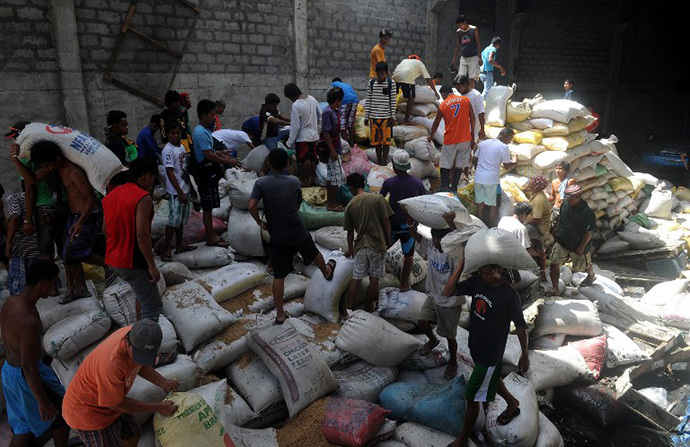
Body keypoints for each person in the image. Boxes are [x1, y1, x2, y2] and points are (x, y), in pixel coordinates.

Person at [443, 263, 529, 447]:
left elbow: (521, 326)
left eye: (488, 273)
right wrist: (461, 266)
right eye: (481, 273)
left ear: (499, 271)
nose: (484, 276)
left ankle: (463, 439)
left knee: (472, 396)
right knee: (492, 379)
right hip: (476, 345)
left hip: (491, 352)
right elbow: (448, 291)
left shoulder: (509, 295)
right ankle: (512, 403)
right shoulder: (477, 282)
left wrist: (524, 354)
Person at [249, 150, 337, 325]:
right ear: (287, 164)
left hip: (278, 235)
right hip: (296, 230)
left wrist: (260, 222)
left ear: (269, 164)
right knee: (313, 252)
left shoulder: (261, 183)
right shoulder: (294, 181)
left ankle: (280, 313)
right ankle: (326, 271)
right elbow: (297, 206)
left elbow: (251, 205)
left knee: (279, 276)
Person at [62, 319, 179, 447]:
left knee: (133, 434)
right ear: (128, 342)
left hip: (113, 400)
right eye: (139, 355)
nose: (140, 359)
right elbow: (115, 404)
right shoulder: (111, 364)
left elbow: (140, 365)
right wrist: (158, 407)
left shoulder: (138, 336)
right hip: (88, 413)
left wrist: (164, 383)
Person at [1, 260, 69, 447]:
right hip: (25, 377)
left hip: (8, 372)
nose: (55, 287)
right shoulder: (29, 320)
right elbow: (29, 367)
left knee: (23, 426)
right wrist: (43, 401)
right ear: (44, 284)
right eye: (54, 282)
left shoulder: (10, 302)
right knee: (62, 421)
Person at [30, 140, 101, 302]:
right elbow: (32, 179)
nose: (47, 170)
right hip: (75, 216)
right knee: (67, 254)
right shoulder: (58, 169)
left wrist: (81, 222)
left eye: (47, 165)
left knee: (73, 252)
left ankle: (109, 267)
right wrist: (15, 158)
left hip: (86, 216)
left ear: (56, 159)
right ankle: (80, 287)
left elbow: (91, 199)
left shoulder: (73, 172)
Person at [102, 158, 165, 322]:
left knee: (142, 295)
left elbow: (105, 229)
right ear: (147, 176)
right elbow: (142, 235)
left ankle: (138, 330)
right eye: (153, 179)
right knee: (152, 307)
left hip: (113, 259)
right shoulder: (143, 198)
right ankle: (145, 346)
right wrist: (151, 265)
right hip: (133, 261)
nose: (152, 184)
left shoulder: (111, 195)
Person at [9, 130, 68, 294]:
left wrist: (27, 219)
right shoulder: (49, 152)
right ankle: (72, 284)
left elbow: (30, 190)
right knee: (65, 249)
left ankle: (52, 288)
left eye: (15, 138)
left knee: (46, 252)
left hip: (44, 209)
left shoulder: (26, 159)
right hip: (62, 204)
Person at [407, 213, 464, 379]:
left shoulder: (454, 251)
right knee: (422, 321)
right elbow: (415, 235)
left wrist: (450, 223)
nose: (437, 241)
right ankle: (432, 340)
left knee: (449, 336)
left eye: (440, 238)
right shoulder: (430, 245)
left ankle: (453, 361)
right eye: (435, 237)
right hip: (433, 295)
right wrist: (410, 220)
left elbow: (458, 240)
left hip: (450, 301)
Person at [343, 173, 394, 310]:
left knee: (356, 277)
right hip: (377, 244)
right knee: (374, 278)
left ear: (351, 188)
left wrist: (350, 249)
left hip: (360, 245)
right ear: (364, 184)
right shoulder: (377, 199)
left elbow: (349, 232)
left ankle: (348, 308)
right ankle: (368, 306)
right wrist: (388, 241)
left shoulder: (350, 205)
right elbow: (386, 222)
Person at [192, 99, 239, 248]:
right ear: (204, 115)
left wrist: (220, 152)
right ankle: (211, 236)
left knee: (210, 206)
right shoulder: (201, 132)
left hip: (208, 171)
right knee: (207, 207)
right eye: (212, 115)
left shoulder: (205, 131)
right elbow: (207, 155)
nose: (214, 118)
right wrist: (227, 162)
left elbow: (210, 151)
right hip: (205, 173)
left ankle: (211, 233)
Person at [380, 150, 425, 291]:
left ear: (394, 166)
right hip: (409, 226)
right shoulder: (417, 183)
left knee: (387, 252)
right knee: (408, 255)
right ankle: (404, 284)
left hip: (392, 226)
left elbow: (380, 200)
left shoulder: (389, 183)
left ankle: (386, 282)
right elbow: (423, 201)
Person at [550, 184, 597, 295]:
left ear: (578, 197)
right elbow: (561, 218)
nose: (569, 201)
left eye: (571, 199)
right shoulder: (565, 204)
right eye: (568, 198)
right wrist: (556, 229)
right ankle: (555, 289)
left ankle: (591, 275)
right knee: (554, 263)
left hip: (577, 243)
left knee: (583, 265)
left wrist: (581, 247)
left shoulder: (587, 213)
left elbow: (589, 232)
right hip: (563, 240)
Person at [160, 124, 197, 262]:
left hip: (185, 188)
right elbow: (170, 172)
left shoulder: (181, 147)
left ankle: (180, 245)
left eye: (178, 133)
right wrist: (180, 192)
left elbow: (184, 170)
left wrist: (191, 189)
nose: (176, 135)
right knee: (173, 221)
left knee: (181, 220)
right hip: (176, 192)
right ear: (168, 135)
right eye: (173, 133)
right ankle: (167, 249)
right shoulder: (168, 151)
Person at [430, 84, 475, 191]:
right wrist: (472, 137)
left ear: (444, 93)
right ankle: (454, 187)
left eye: (442, 95)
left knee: (445, 163)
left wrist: (431, 136)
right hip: (465, 138)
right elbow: (472, 119)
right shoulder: (466, 100)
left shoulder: (443, 105)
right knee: (460, 164)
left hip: (451, 138)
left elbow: (436, 123)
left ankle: (444, 186)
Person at [472, 128, 518, 227]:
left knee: (480, 206)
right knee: (494, 206)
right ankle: (492, 230)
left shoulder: (483, 143)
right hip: (492, 180)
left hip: (478, 178)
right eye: (509, 139)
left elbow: (474, 159)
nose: (509, 142)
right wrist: (515, 162)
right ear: (504, 135)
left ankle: (479, 228)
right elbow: (506, 165)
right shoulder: (503, 147)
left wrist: (478, 170)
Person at [285, 83, 322, 187]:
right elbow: (320, 114)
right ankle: (312, 178)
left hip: (302, 137)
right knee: (313, 157)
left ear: (291, 96)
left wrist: (289, 142)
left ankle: (305, 181)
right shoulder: (312, 98)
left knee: (305, 159)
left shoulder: (296, 105)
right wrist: (318, 129)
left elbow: (295, 126)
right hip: (313, 135)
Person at [4, 192, 41, 295]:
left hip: (23, 243)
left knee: (20, 274)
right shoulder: (33, 195)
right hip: (37, 241)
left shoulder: (12, 198)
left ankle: (21, 293)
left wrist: (8, 242)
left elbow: (15, 217)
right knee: (37, 270)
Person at [498, 202, 546, 280]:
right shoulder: (520, 228)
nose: (526, 218)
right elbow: (526, 250)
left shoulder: (504, 219)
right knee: (541, 257)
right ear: (524, 214)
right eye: (527, 216)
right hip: (511, 257)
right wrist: (539, 255)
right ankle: (541, 276)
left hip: (500, 250)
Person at [392, 55, 441, 125]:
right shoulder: (419, 63)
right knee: (411, 98)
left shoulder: (404, 61)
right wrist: (435, 92)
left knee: (393, 96)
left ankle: (390, 117)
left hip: (395, 77)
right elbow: (428, 79)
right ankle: (406, 120)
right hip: (407, 76)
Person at [365, 61, 397, 166]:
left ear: (386, 73)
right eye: (378, 74)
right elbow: (368, 100)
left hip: (386, 119)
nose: (380, 76)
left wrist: (393, 117)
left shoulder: (391, 84)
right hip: (374, 118)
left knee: (386, 142)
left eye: (382, 74)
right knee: (377, 143)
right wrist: (366, 116)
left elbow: (393, 101)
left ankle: (384, 161)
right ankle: (379, 161)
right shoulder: (371, 83)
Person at [321, 86, 346, 211]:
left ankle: (330, 201)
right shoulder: (327, 112)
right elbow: (326, 132)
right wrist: (332, 150)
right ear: (337, 100)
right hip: (332, 148)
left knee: (331, 176)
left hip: (336, 146)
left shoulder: (334, 111)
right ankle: (332, 203)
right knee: (336, 177)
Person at [451, 15, 482, 90]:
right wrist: (454, 59)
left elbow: (478, 43)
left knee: (472, 77)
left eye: (460, 25)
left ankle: (471, 93)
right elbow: (457, 46)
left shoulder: (473, 29)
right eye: (458, 26)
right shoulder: (459, 32)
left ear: (464, 22)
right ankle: (462, 93)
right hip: (464, 57)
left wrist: (479, 57)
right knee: (460, 76)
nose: (460, 27)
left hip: (473, 57)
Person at [456, 74, 486, 144]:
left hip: (472, 130)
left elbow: (480, 113)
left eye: (460, 87)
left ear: (466, 84)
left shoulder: (476, 95)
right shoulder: (458, 95)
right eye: (457, 87)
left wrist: (482, 129)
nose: (458, 89)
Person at [331, 77, 359, 145]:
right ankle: (352, 142)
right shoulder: (347, 85)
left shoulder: (334, 84)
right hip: (354, 101)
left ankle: (345, 144)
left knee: (342, 124)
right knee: (350, 123)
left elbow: (332, 97)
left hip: (345, 101)